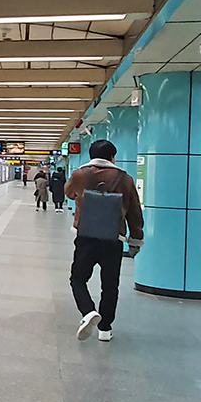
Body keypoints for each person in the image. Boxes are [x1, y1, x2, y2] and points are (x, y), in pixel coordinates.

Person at [65, 140, 143, 341]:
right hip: (113, 239)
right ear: (112, 157)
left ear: (91, 156)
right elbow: (134, 211)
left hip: (86, 236)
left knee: (78, 279)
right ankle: (105, 329)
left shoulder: (81, 174)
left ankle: (88, 311)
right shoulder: (125, 179)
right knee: (110, 285)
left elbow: (69, 192)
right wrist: (135, 239)